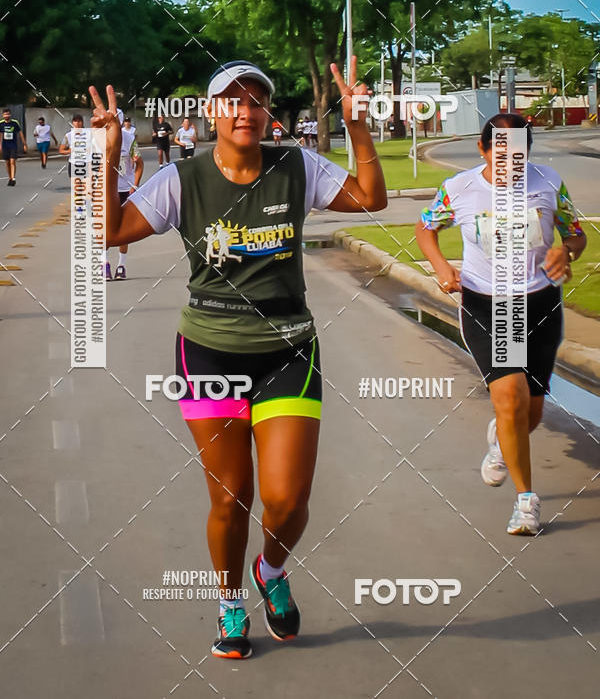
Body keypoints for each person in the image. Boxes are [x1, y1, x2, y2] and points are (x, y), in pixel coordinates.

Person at [89, 56, 386, 660]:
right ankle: (229, 600)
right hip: (208, 353)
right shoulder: (183, 179)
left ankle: (271, 570)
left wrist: (357, 126)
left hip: (289, 349)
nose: (245, 111)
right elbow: (109, 231)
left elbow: (370, 199)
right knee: (230, 498)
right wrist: (110, 151)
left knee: (288, 501)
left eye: (255, 101)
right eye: (232, 100)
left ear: (267, 113)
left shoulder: (296, 166)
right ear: (211, 111)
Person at [416, 113, 586, 536]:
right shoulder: (460, 189)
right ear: (483, 149)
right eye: (501, 154)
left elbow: (576, 234)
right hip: (491, 305)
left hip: (540, 302)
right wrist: (441, 267)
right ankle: (526, 501)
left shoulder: (547, 182)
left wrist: (567, 250)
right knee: (509, 399)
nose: (511, 165)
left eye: (519, 155)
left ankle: (501, 440)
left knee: (529, 412)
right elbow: (425, 226)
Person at [103, 116, 144, 280]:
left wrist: (135, 185)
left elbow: (139, 163)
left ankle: (122, 265)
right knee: (104, 228)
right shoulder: (98, 138)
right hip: (106, 190)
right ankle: (104, 264)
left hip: (125, 188)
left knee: (122, 228)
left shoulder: (130, 140)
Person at [0, 110, 27, 186]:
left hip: (13, 145)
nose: (6, 116)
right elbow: (1, 134)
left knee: (12, 161)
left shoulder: (14, 123)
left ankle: (13, 178)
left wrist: (24, 144)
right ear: (3, 115)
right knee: (7, 162)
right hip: (5, 146)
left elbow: (20, 133)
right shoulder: (1, 124)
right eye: (5, 114)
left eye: (8, 114)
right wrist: (0, 145)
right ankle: (10, 178)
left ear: (10, 115)